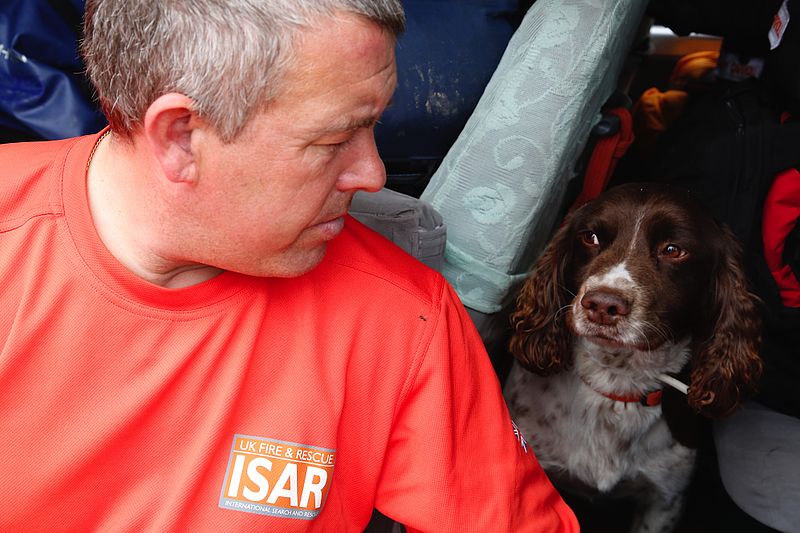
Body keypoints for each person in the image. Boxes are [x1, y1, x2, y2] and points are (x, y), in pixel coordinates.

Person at [0, 1, 577, 531]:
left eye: (373, 125)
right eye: (334, 140)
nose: (373, 175)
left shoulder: (403, 319)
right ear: (180, 137)